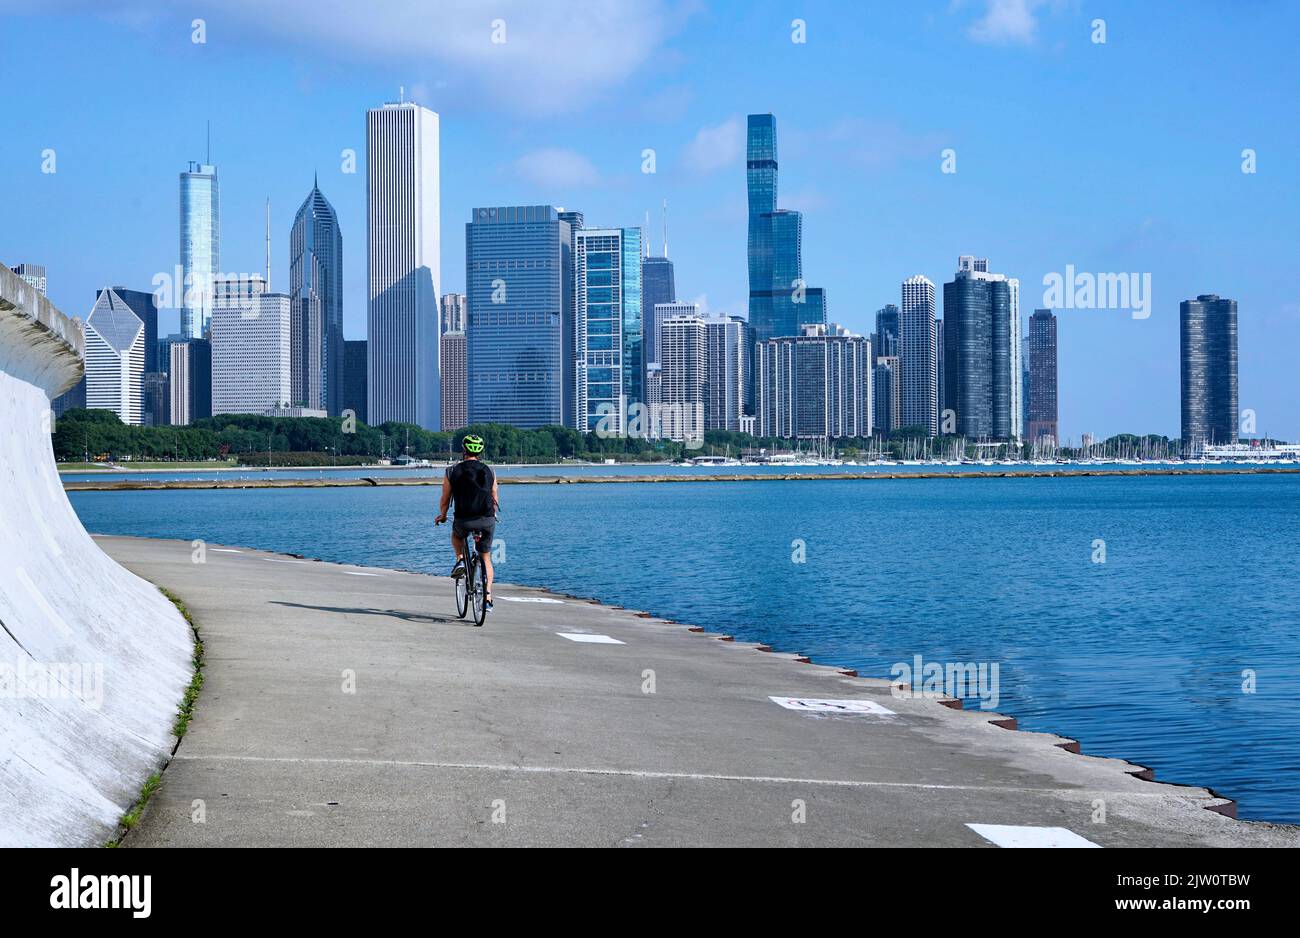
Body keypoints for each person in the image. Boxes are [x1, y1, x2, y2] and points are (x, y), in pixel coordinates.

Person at [435, 434, 499, 610]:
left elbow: (445, 498)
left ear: (463, 450)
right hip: (487, 520)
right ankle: (487, 598)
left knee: (457, 537)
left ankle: (461, 560)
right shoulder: (490, 471)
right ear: (480, 451)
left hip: (463, 520)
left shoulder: (451, 471)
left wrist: (442, 515)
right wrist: (494, 514)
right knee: (485, 556)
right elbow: (494, 496)